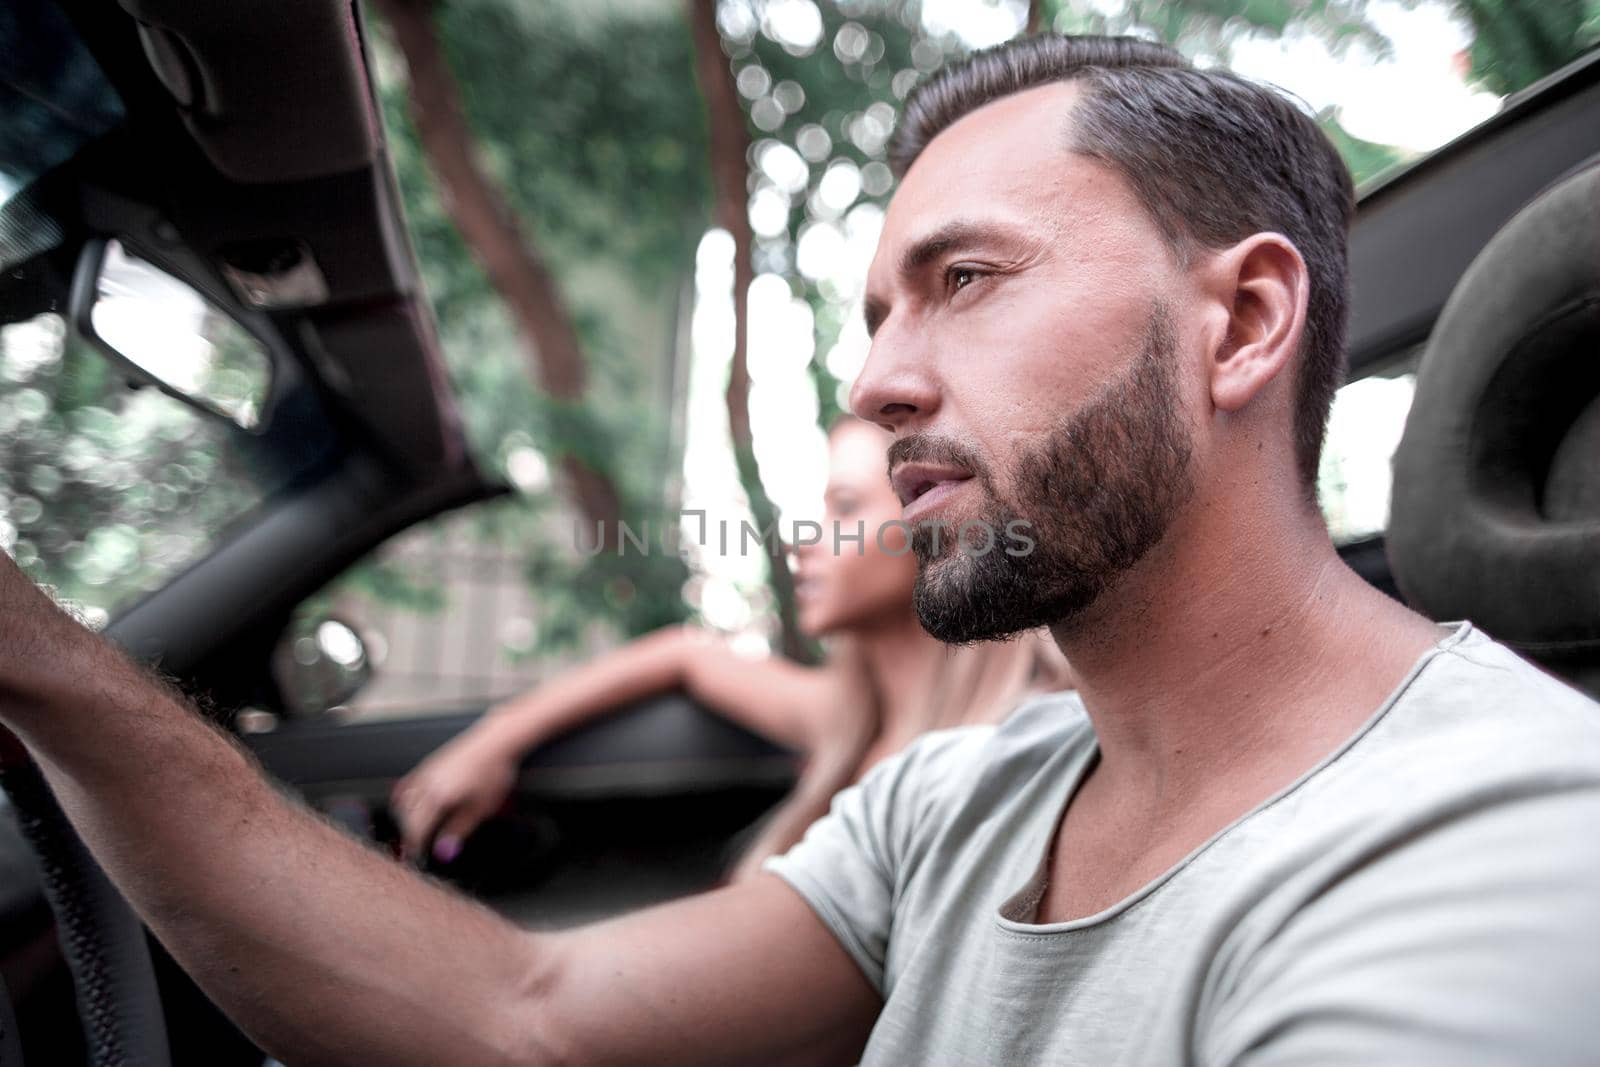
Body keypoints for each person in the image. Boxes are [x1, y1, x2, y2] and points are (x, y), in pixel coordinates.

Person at [1, 32, 1597, 1067]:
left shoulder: (1502, 851)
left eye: (965, 277)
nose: (879, 379)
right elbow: (517, 1015)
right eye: (878, 312)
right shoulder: (951, 803)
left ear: (1241, 320)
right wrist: (55, 671)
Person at [390, 416, 1071, 880]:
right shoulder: (840, 714)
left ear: (936, 524)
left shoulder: (1026, 733)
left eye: (843, 506)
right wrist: (497, 737)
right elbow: (684, 653)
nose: (804, 535)